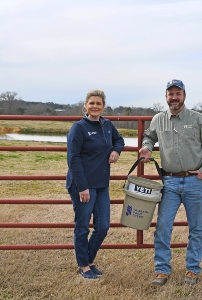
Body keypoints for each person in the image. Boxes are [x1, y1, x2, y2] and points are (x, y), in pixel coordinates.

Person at [139, 79, 202, 285]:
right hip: (169, 182)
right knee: (163, 226)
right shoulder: (158, 119)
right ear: (165, 96)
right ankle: (162, 270)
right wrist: (147, 147)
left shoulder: (198, 119)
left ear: (184, 95)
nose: (174, 97)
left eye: (178, 93)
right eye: (170, 93)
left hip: (194, 182)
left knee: (196, 228)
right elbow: (149, 136)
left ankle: (192, 269)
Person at [66, 89, 125, 280]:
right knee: (82, 226)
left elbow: (119, 140)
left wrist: (116, 151)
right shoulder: (79, 128)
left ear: (103, 106)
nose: (95, 106)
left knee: (103, 226)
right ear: (86, 105)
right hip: (82, 184)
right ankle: (84, 266)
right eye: (91, 103)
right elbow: (73, 158)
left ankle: (88, 260)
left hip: (101, 184)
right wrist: (82, 186)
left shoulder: (107, 125)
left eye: (98, 103)